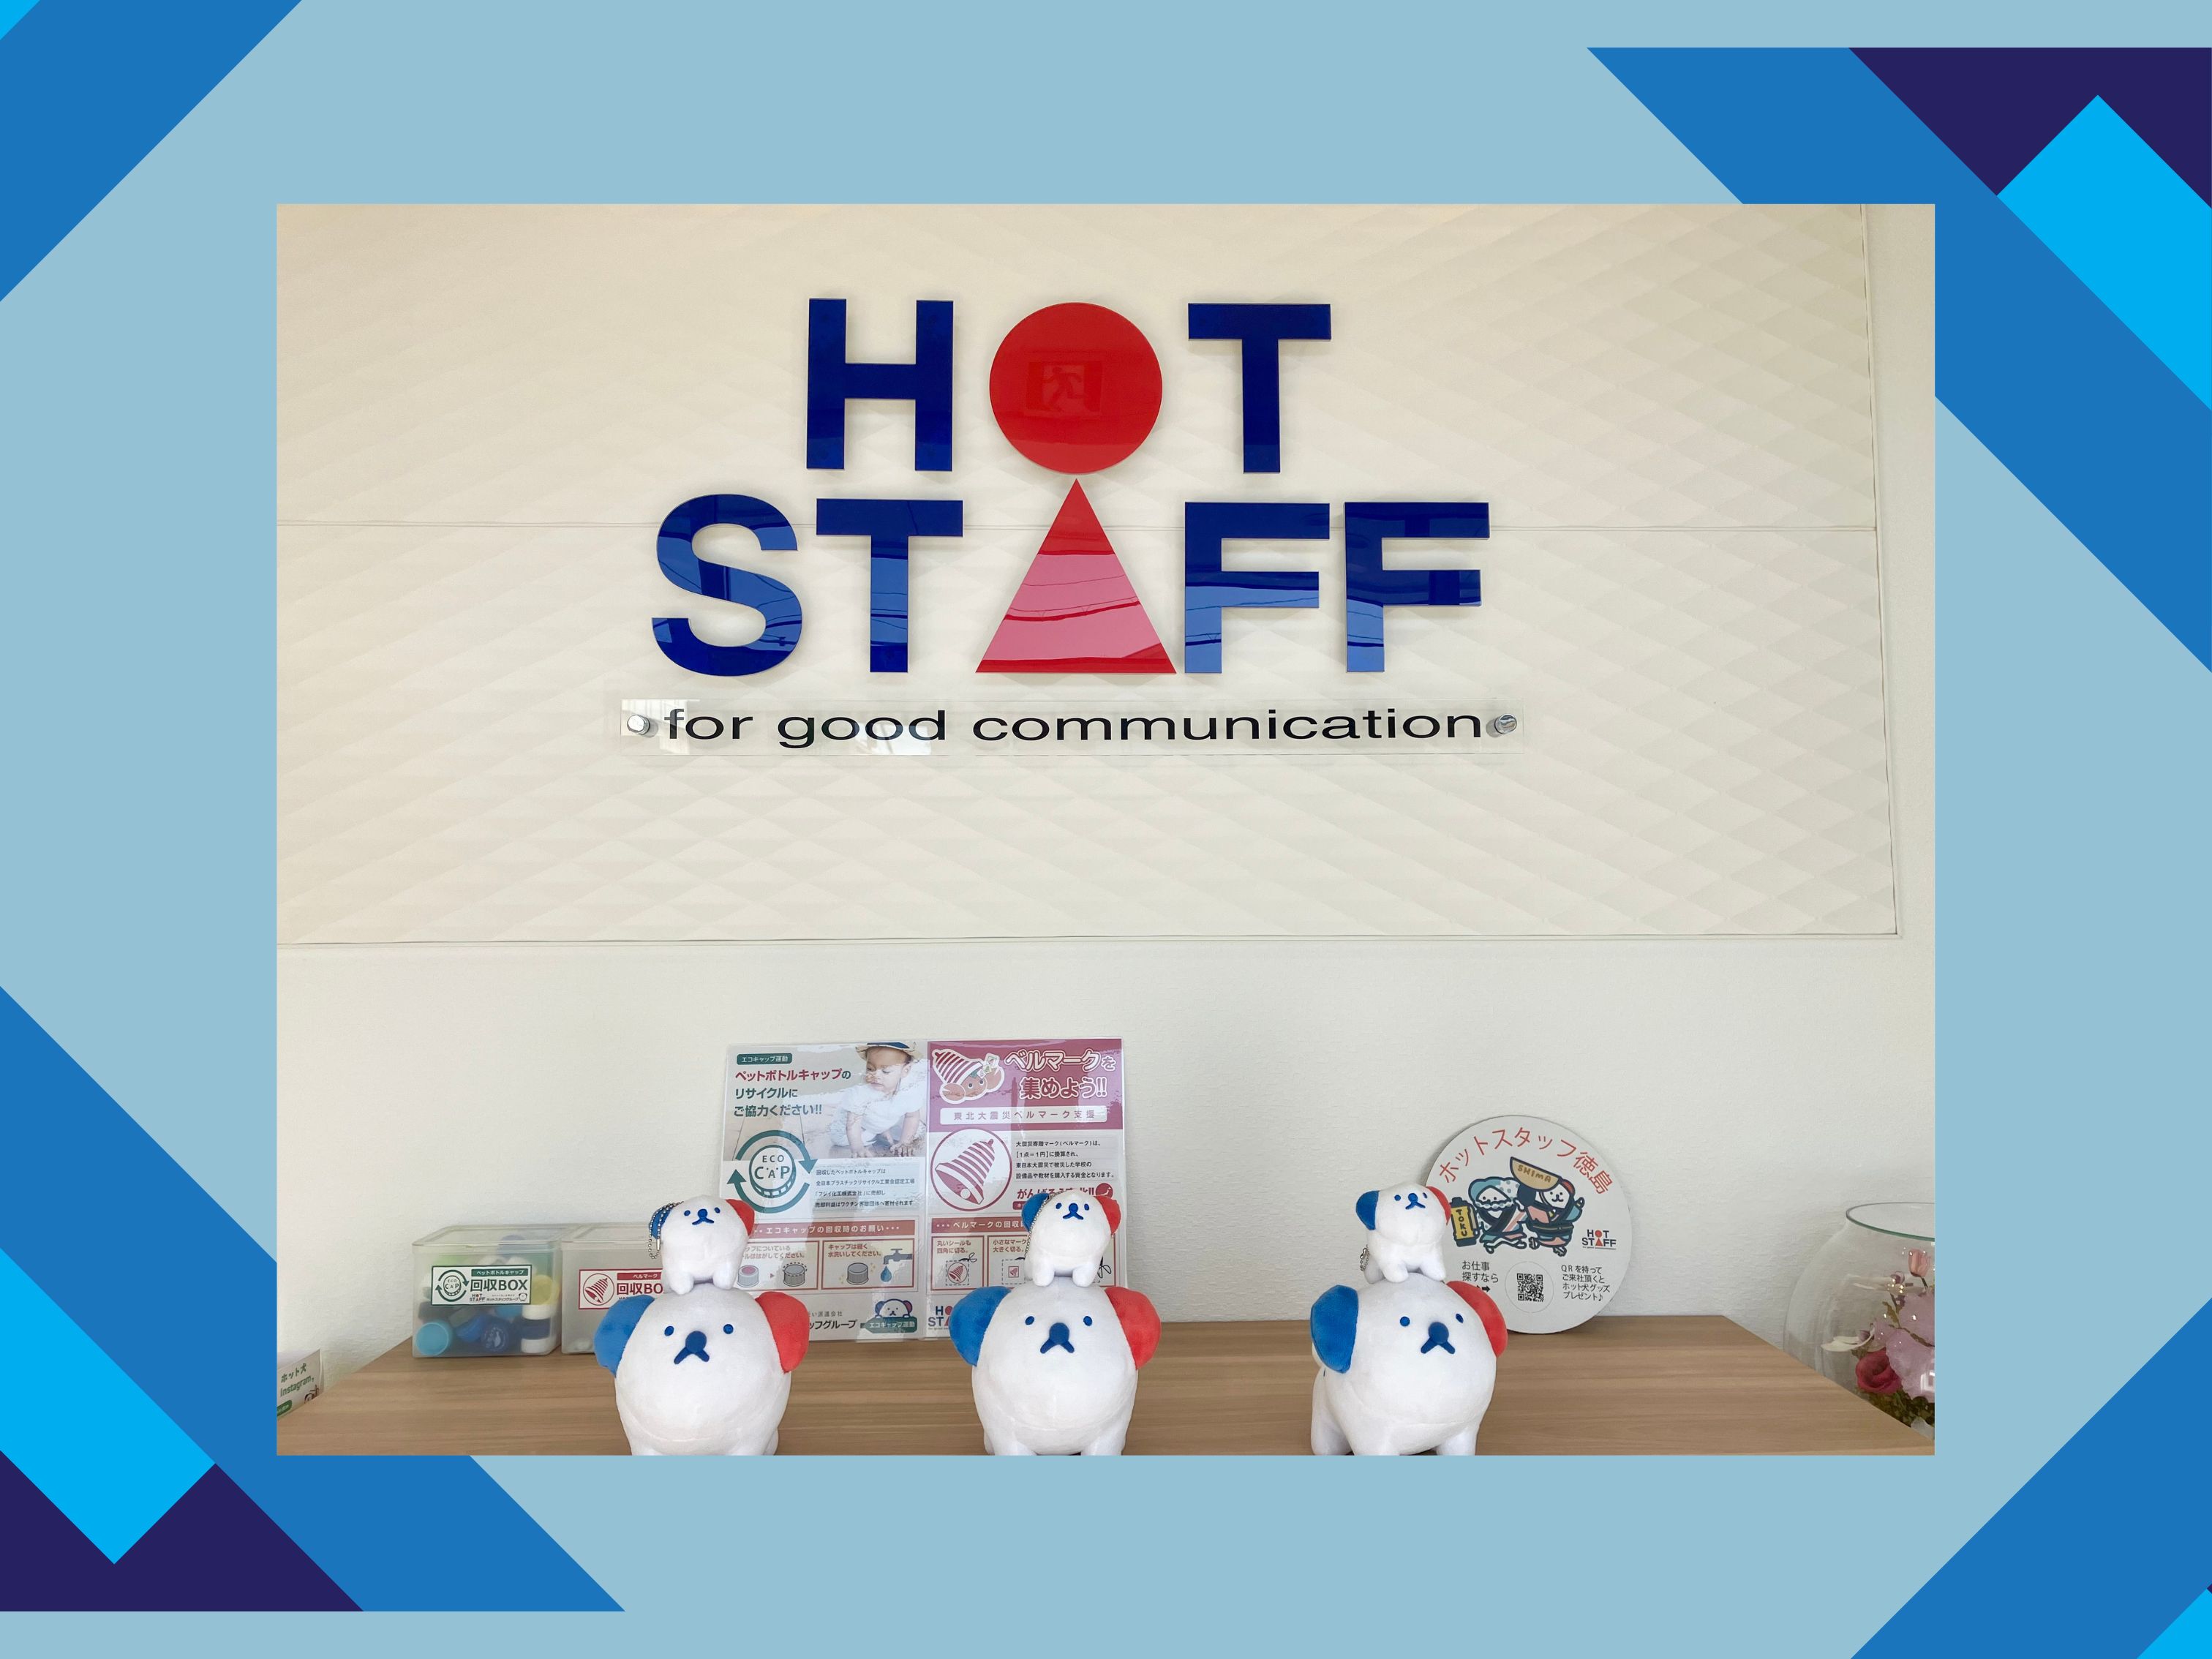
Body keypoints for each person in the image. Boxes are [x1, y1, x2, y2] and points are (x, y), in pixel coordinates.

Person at [830, 1042, 926, 1157]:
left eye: (886, 1071)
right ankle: (877, 1132)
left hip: (889, 1119)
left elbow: (912, 1116)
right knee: (839, 1138)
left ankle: (883, 1130)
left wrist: (905, 1142)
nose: (875, 1075)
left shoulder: (909, 1091)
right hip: (862, 1124)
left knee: (917, 1130)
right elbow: (853, 1122)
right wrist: (858, 1147)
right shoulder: (860, 1092)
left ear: (905, 1071)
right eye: (870, 1069)